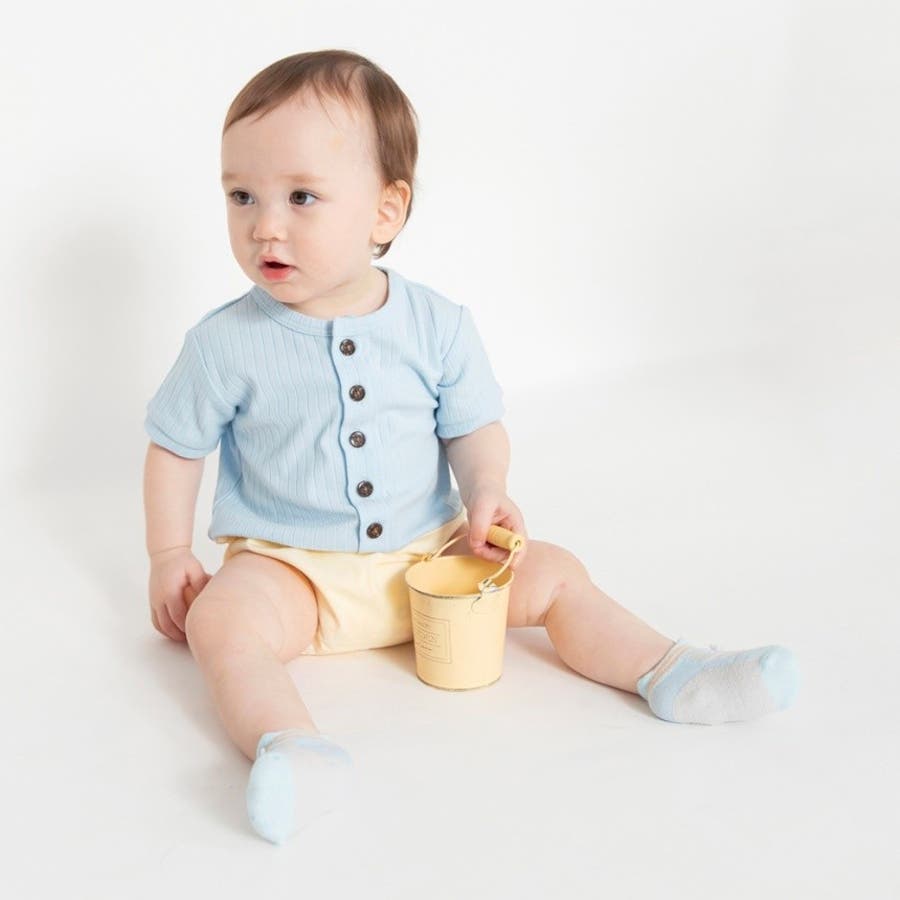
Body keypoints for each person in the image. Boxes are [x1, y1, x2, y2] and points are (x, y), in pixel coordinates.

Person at [143, 49, 799, 846]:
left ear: (386, 212)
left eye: (301, 197)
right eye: (241, 195)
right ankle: (291, 748)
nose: (264, 226)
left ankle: (672, 669)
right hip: (293, 574)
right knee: (222, 625)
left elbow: (472, 425)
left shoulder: (437, 325)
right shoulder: (224, 344)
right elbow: (175, 446)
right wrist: (169, 552)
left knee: (555, 573)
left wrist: (487, 488)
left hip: (431, 559)